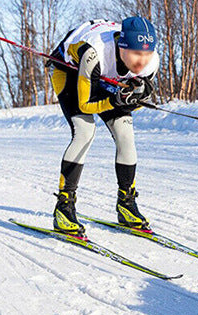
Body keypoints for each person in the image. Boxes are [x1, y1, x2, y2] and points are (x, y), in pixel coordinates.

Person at [47, 16, 159, 235]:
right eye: (136, 53)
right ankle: (64, 207)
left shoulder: (150, 62)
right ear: (122, 48)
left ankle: (126, 205)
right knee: (85, 132)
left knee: (126, 136)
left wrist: (133, 99)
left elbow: (132, 106)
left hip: (106, 79)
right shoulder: (94, 52)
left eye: (147, 54)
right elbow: (85, 104)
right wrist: (115, 100)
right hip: (71, 72)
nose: (141, 61)